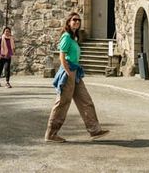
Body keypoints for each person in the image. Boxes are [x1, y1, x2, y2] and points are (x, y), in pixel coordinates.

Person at [45, 12, 109, 143]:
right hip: (69, 72)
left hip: (76, 72)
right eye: (74, 20)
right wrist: (68, 72)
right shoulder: (66, 37)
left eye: (79, 20)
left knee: (86, 101)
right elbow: (62, 55)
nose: (77, 22)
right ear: (68, 22)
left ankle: (94, 130)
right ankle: (51, 134)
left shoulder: (73, 37)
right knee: (62, 103)